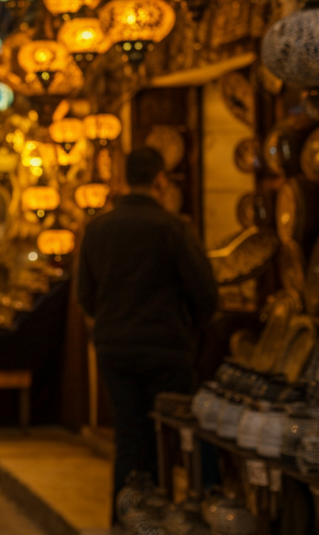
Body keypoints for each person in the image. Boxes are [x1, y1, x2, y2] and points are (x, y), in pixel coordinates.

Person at [75, 146, 217, 510]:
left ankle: (125, 519)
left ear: (123, 180)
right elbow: (205, 294)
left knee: (128, 435)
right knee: (163, 436)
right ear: (160, 181)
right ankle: (159, 516)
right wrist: (190, 328)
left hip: (114, 347)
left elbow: (85, 297)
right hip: (165, 347)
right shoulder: (173, 228)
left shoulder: (97, 229)